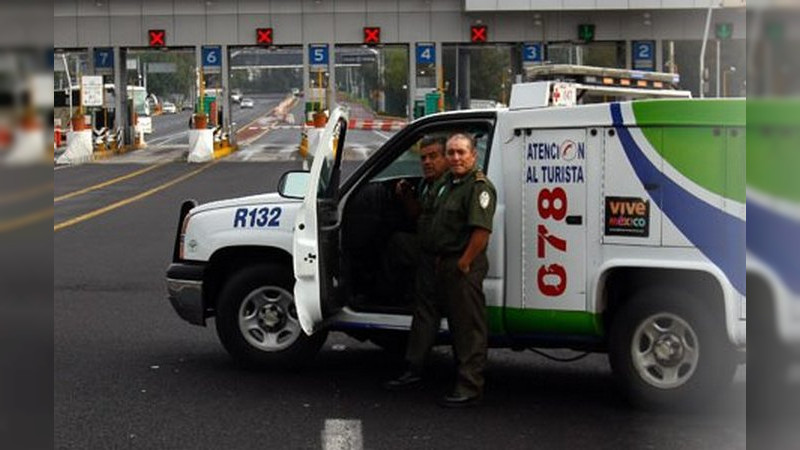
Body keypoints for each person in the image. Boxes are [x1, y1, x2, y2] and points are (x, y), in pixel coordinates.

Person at [431, 132, 496, 407]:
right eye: (451, 153)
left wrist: (464, 261)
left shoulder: (478, 187)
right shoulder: (449, 183)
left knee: (469, 328)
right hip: (448, 261)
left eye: (461, 152)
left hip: (464, 264)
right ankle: (462, 378)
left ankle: (470, 387)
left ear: (474, 155)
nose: (456, 157)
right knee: (458, 326)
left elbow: (481, 231)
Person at [381, 136, 449, 383]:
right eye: (424, 158)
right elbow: (422, 218)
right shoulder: (430, 185)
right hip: (430, 250)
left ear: (447, 158)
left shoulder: (451, 185)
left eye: (434, 156)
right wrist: (407, 196)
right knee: (398, 241)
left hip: (445, 258)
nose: (427, 162)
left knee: (433, 311)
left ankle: (416, 368)